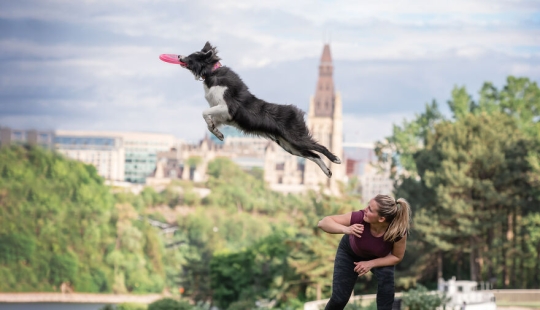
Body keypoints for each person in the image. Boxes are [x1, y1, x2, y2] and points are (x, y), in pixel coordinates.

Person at [318, 194, 411, 310]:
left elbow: (397, 257)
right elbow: (322, 223)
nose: (365, 210)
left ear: (381, 219)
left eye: (370, 209)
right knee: (339, 299)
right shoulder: (360, 217)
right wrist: (346, 229)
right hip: (350, 253)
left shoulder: (398, 231)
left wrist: (371, 263)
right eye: (368, 206)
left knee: (387, 288)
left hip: (379, 257)